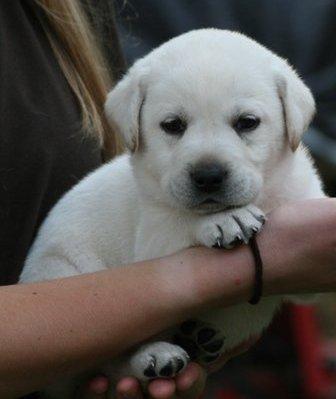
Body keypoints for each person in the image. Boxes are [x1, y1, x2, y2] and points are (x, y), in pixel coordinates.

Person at [0, 2, 335, 399]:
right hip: (56, 316)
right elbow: (155, 260)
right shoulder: (153, 193)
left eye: (245, 123)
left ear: (290, 119)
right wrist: (261, 257)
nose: (207, 165)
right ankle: (122, 359)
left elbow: (308, 289)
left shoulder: (296, 178)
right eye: (174, 126)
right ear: (134, 125)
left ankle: (134, 361)